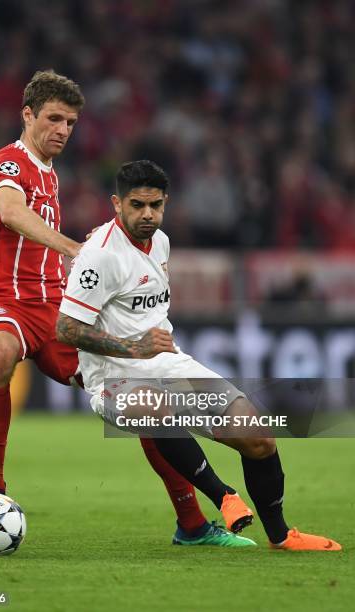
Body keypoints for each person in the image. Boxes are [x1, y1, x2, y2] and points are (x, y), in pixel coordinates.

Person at [0, 70, 248, 546]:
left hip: (55, 306)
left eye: (71, 122)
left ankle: (193, 523)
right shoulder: (9, 164)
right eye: (54, 118)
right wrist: (75, 249)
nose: (62, 129)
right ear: (27, 115)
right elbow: (13, 215)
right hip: (6, 300)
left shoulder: (50, 174)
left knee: (135, 397)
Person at [56, 159, 342, 551]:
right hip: (114, 380)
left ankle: (281, 536)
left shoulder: (161, 242)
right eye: (137, 205)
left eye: (155, 205)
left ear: (166, 203)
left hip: (171, 364)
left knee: (258, 435)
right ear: (116, 204)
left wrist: (152, 352)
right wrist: (133, 348)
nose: (147, 214)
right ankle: (223, 495)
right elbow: (66, 329)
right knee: (151, 406)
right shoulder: (98, 255)